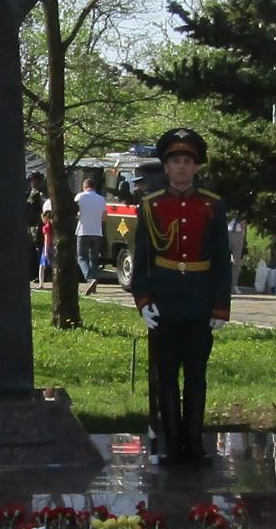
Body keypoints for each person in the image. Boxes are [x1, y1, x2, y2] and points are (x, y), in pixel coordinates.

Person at [130, 128, 232, 466]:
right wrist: (143, 301)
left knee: (197, 376)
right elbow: (142, 261)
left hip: (200, 302)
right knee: (167, 376)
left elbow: (221, 259)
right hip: (165, 302)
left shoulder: (213, 205)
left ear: (197, 166)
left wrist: (220, 306)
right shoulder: (150, 205)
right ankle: (173, 445)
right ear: (166, 166)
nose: (182, 168)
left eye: (188, 161)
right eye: (176, 161)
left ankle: (194, 443)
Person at [74, 176, 107, 294]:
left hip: (83, 230)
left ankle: (90, 279)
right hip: (97, 232)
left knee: (81, 257)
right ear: (94, 187)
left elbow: (76, 212)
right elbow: (104, 217)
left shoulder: (80, 196)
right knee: (94, 258)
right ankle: (93, 283)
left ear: (84, 187)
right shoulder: (101, 199)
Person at [26, 171, 45, 279]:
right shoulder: (30, 192)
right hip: (30, 224)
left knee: (39, 248)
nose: (33, 182)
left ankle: (40, 273)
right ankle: (33, 272)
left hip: (38, 224)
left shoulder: (40, 194)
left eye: (35, 180)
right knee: (32, 249)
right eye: (32, 180)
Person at [226, 214, 246, 293]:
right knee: (223, 260)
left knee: (236, 261)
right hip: (227, 232)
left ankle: (234, 285)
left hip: (238, 233)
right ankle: (223, 284)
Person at [37, 207, 54, 288]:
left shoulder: (46, 227)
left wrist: (46, 251)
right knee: (55, 266)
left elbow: (47, 239)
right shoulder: (54, 227)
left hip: (48, 247)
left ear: (46, 218)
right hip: (54, 247)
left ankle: (41, 284)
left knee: (42, 266)